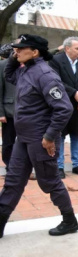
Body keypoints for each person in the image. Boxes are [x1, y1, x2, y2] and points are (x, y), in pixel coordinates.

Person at [0, 34, 77, 238]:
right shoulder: (26, 70)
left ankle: (70, 220)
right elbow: (9, 75)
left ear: (34, 52)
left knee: (49, 182)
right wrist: (13, 54)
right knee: (13, 182)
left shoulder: (45, 74)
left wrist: (50, 136)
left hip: (41, 139)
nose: (16, 51)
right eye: (16, 48)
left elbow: (64, 108)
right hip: (23, 138)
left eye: (21, 48)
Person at [49, 36, 78, 179]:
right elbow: (56, 82)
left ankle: (76, 165)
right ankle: (59, 166)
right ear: (67, 48)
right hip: (62, 105)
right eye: (77, 48)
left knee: (76, 135)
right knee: (60, 135)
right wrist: (74, 93)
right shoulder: (56, 61)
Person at [0, 44, 17, 173]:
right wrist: (1, 113)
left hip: (26, 112)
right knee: (8, 142)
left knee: (26, 142)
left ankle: (22, 167)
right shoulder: (3, 65)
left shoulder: (27, 64)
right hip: (9, 111)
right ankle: (9, 166)